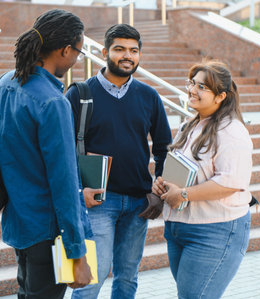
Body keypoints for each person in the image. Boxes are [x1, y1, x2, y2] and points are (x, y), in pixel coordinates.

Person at [0, 9, 93, 298]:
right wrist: (77, 253)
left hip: (19, 221)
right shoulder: (53, 102)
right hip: (47, 232)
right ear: (64, 50)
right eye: (78, 52)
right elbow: (64, 183)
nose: (76, 60)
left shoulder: (4, 83)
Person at [65, 24, 172, 299]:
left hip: (138, 202)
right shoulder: (80, 94)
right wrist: (79, 190)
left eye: (134, 51)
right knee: (91, 280)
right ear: (104, 52)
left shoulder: (149, 96)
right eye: (120, 49)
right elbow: (62, 150)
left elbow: (163, 148)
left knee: (127, 278)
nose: (128, 56)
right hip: (98, 201)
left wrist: (157, 189)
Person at [152, 60, 253, 299]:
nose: (192, 90)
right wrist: (162, 182)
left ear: (220, 96)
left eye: (202, 87)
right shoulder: (190, 124)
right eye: (192, 83)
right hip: (179, 227)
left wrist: (184, 194)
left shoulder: (231, 130)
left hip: (214, 230)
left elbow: (231, 181)